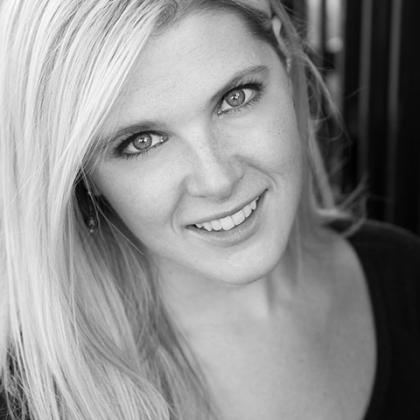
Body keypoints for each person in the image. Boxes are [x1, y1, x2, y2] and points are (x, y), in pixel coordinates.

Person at [0, 0, 419, 419]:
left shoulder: (403, 272)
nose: (217, 181)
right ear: (83, 176)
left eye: (236, 98)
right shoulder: (29, 398)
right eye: (142, 142)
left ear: (284, 55)